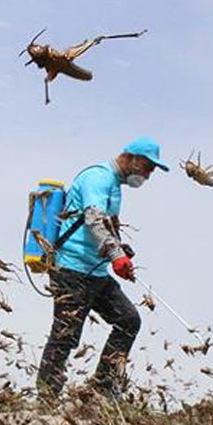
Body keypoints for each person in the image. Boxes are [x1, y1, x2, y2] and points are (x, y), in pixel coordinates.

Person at [36, 136, 168, 398]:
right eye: (147, 167)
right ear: (131, 157)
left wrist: (120, 250)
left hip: (95, 271)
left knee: (128, 320)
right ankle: (46, 397)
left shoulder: (115, 186)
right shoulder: (98, 177)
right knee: (65, 334)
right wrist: (116, 256)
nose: (148, 175)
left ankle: (102, 391)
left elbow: (106, 228)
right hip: (71, 269)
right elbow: (94, 219)